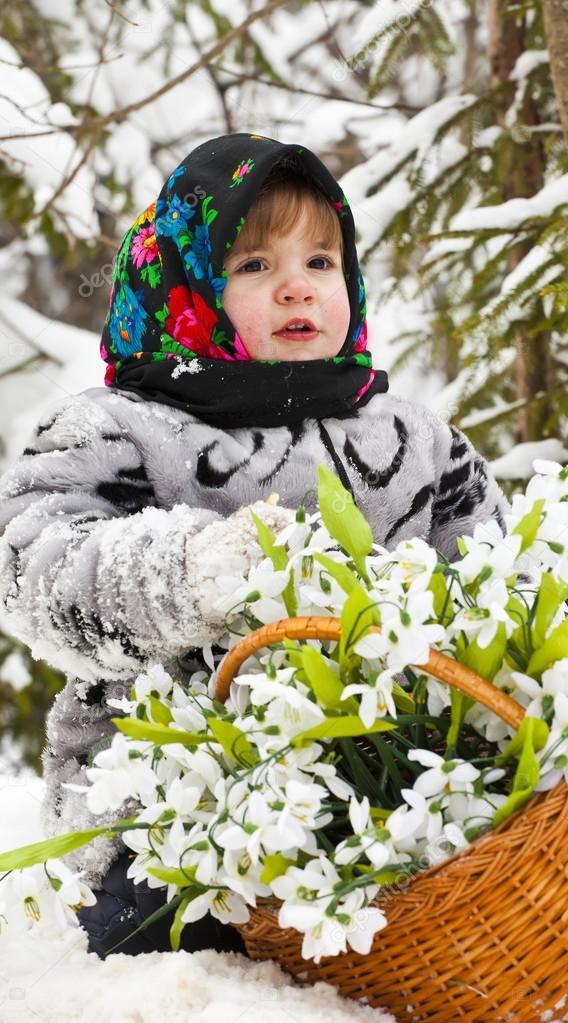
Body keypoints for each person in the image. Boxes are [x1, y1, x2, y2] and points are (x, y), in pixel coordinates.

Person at [0, 132, 508, 958]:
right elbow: (32, 568)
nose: (296, 287)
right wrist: (189, 572)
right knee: (168, 959)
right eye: (254, 266)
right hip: (164, 824)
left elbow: (498, 580)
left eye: (320, 261)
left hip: (383, 816)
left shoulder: (416, 441)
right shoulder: (119, 428)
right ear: (185, 281)